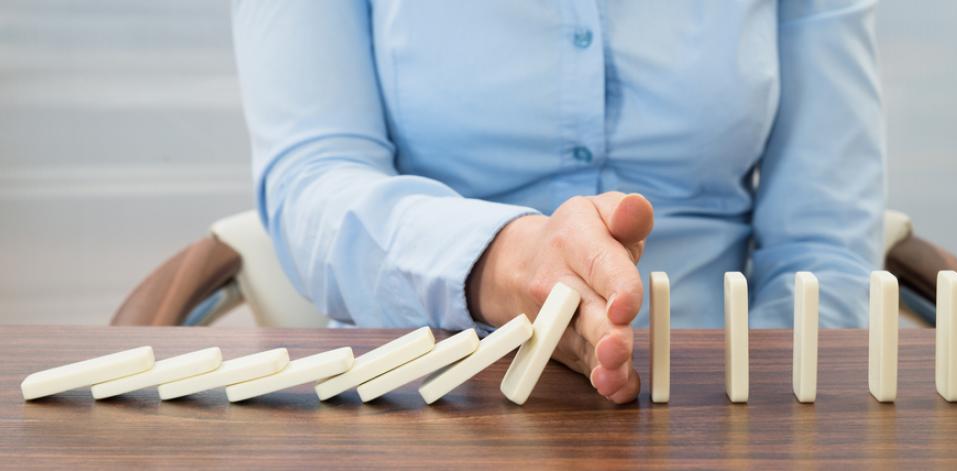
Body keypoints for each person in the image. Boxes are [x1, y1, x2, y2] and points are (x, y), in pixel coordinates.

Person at [231, 0, 885, 404]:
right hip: (430, 390)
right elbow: (313, 180)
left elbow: (823, 241)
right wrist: (508, 262)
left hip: (716, 397)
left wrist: (756, 400)